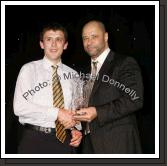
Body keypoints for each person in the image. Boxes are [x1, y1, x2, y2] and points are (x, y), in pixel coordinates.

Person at [74, 20, 143, 153]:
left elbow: (135, 99)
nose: (89, 42)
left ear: (105, 37)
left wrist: (97, 112)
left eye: (94, 36)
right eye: (85, 38)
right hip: (88, 145)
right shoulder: (84, 72)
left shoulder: (124, 63)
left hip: (118, 143)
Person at [13, 22, 82, 154]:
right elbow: (19, 107)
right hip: (35, 140)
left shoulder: (74, 75)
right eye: (49, 39)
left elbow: (75, 109)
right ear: (42, 44)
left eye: (58, 40)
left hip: (66, 141)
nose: (54, 44)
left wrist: (75, 129)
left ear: (65, 45)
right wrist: (57, 112)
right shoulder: (29, 69)